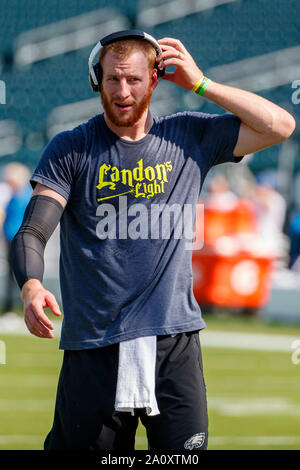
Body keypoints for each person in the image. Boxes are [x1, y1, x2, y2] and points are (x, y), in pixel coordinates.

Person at [10, 30, 295, 451]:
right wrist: (31, 284)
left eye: (134, 79)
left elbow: (280, 126)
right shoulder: (72, 147)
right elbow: (33, 230)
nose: (122, 91)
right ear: (97, 80)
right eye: (112, 79)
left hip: (174, 347)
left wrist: (202, 84)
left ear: (156, 80)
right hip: (95, 346)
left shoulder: (190, 136)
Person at [2, 163, 31, 313]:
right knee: (11, 276)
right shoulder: (14, 196)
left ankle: (22, 307)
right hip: (10, 238)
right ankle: (10, 307)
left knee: (23, 275)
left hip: (20, 240)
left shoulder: (25, 196)